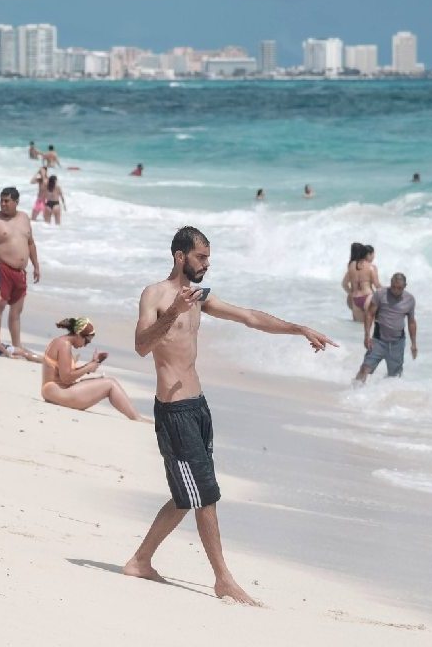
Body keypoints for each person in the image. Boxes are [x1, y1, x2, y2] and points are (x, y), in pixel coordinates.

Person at [124, 226, 336, 605]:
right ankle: (223, 579)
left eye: (208, 257)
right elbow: (141, 346)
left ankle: (140, 561)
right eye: (201, 257)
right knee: (204, 493)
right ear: (180, 257)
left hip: (198, 407)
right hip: (173, 413)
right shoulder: (154, 295)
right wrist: (173, 311)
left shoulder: (201, 297)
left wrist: (298, 328)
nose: (207, 263)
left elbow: (249, 317)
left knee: (186, 495)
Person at [40, 318, 145, 420]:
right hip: (56, 392)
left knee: (102, 381)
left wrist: (91, 365)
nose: (86, 345)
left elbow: (65, 373)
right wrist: (88, 368)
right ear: (78, 335)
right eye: (86, 341)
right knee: (110, 384)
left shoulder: (60, 342)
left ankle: (136, 417)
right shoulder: (64, 345)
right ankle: (137, 418)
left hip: (54, 391)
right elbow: (66, 378)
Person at [0, 187, 41, 351]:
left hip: (20, 272)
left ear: (16, 202)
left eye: (7, 201)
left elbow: (31, 243)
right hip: (2, 269)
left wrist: (36, 265)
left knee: (16, 310)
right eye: (1, 200)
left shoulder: (24, 218)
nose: (3, 204)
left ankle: (16, 345)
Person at [354, 272, 417, 382]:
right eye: (393, 287)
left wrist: (414, 344)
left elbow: (411, 322)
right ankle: (353, 391)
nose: (396, 290)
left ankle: (389, 396)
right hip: (379, 341)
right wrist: (367, 336)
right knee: (365, 368)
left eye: (399, 288)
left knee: (395, 377)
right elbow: (369, 314)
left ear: (405, 286)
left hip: (397, 343)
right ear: (390, 283)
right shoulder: (380, 294)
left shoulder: (410, 299)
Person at [342, 243, 380, 322]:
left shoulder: (351, 266)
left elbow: (344, 284)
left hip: (355, 298)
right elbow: (377, 285)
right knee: (370, 328)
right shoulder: (371, 267)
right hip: (368, 297)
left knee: (357, 327)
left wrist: (351, 293)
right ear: (368, 254)